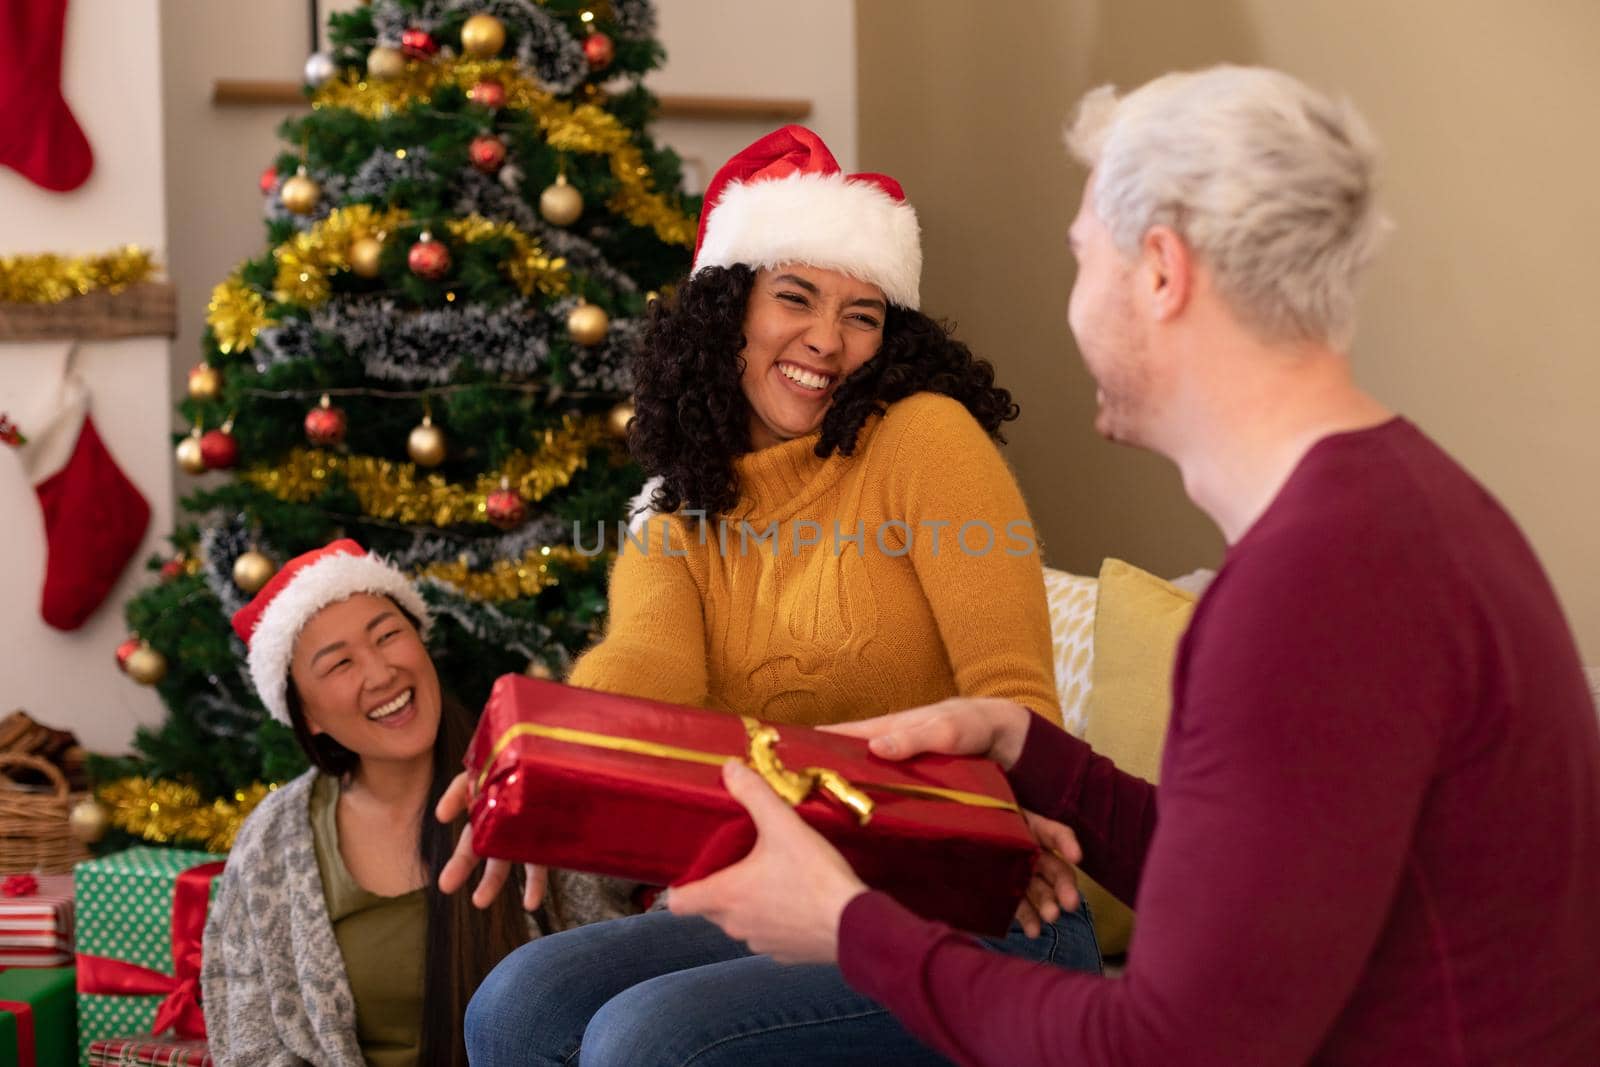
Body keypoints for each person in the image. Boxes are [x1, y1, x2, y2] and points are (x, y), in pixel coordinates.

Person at [664, 66, 1600, 1065]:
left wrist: (850, 925)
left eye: (1081, 257)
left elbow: (1164, 1046)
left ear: (1160, 273)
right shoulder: (1395, 506)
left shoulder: (1314, 589)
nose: (1072, 300)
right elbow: (1257, 890)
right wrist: (1029, 746)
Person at [447, 125, 1103, 1066]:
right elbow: (646, 672)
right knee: (517, 1003)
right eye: (794, 297)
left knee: (644, 1041)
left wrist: (1016, 830)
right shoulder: (678, 520)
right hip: (794, 898)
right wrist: (541, 759)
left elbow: (1013, 694)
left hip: (984, 905)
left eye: (863, 314)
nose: (828, 341)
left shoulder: (924, 439)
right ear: (728, 309)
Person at [200, 539, 624, 1067]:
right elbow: (248, 1042)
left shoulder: (533, 783)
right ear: (307, 716)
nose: (380, 674)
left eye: (388, 635)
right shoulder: (271, 842)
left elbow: (647, 953)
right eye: (339, 665)